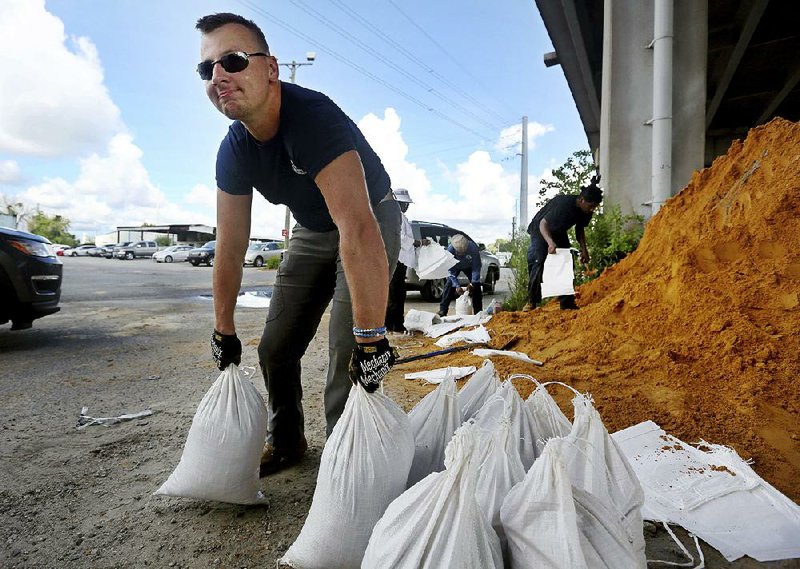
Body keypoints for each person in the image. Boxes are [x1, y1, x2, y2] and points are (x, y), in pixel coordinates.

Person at [196, 13, 401, 476]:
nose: (219, 75)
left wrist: (372, 339)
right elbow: (229, 247)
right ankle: (286, 441)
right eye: (206, 69)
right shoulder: (234, 150)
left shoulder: (312, 118)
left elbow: (358, 227)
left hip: (370, 215)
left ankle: (347, 467)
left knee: (349, 349)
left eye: (232, 59)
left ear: (270, 69)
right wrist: (223, 328)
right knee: (275, 347)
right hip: (312, 228)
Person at [525, 176, 603, 310]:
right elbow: (543, 224)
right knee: (539, 260)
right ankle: (531, 302)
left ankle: (567, 303)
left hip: (559, 231)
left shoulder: (586, 210)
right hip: (540, 229)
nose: (592, 210)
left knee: (566, 261)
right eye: (591, 206)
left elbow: (580, 230)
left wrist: (584, 250)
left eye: (594, 207)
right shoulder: (564, 205)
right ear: (582, 200)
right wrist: (550, 243)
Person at [384, 188, 426, 333]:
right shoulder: (395, 217)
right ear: (398, 203)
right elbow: (401, 238)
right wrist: (418, 242)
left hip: (401, 261)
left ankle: (394, 323)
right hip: (396, 260)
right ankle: (393, 325)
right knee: (395, 294)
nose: (407, 206)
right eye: (404, 203)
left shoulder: (402, 217)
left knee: (398, 293)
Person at [437, 234, 483, 317]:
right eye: (459, 253)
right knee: (449, 285)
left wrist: (473, 283)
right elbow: (450, 270)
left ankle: (478, 311)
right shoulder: (450, 250)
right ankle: (443, 310)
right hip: (455, 266)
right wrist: (457, 286)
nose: (460, 254)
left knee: (476, 287)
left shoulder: (473, 248)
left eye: (462, 252)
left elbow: (476, 267)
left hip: (469, 266)